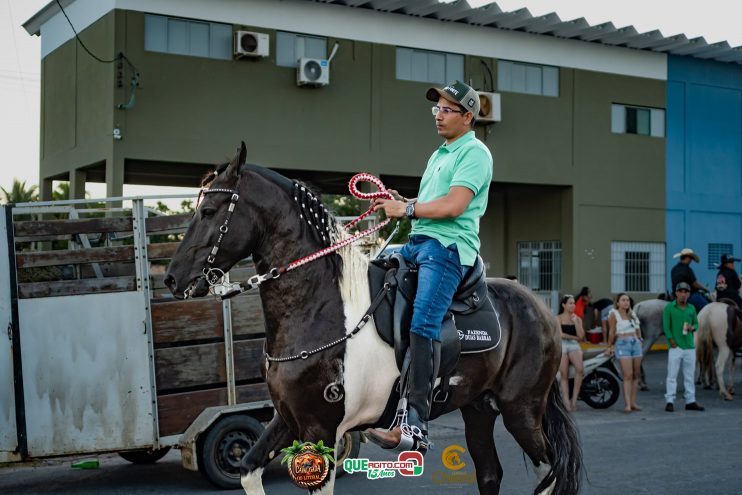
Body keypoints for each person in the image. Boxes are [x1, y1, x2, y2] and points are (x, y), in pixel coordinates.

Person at [366, 80, 493, 452]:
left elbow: (453, 207)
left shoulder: (475, 153)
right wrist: (405, 200)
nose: (438, 115)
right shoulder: (439, 153)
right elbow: (432, 202)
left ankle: (414, 426)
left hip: (449, 249)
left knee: (423, 321)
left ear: (468, 116)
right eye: (436, 108)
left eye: (447, 109)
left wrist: (405, 209)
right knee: (370, 275)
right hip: (419, 243)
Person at [662, 282, 704, 412]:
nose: (683, 294)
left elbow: (696, 324)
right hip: (676, 346)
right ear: (676, 293)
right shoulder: (669, 307)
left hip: (689, 346)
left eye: (686, 292)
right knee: (672, 375)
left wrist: (693, 327)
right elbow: (666, 326)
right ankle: (670, 401)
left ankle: (690, 401)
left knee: (689, 375)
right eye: (681, 291)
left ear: (689, 294)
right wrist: (670, 339)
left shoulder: (691, 308)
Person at [607, 294, 643, 413]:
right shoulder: (614, 314)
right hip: (623, 343)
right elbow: (612, 331)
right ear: (617, 303)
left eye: (627, 300)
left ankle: (633, 403)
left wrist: (639, 339)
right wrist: (610, 346)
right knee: (628, 375)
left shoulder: (632, 314)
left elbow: (638, 330)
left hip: (635, 344)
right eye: (623, 300)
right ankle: (627, 404)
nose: (626, 302)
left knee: (636, 374)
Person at [556, 295, 585, 412]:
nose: (573, 305)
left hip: (573, 345)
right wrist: (575, 337)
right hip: (562, 344)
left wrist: (576, 323)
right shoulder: (557, 318)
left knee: (580, 369)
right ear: (563, 305)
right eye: (570, 303)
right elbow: (560, 335)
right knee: (564, 374)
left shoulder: (577, 319)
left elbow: (581, 337)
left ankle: (574, 400)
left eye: (574, 303)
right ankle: (566, 402)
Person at [670, 247, 709, 312]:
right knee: (707, 308)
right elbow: (695, 284)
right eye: (691, 258)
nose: (691, 261)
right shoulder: (687, 269)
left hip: (676, 295)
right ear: (688, 258)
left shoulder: (674, 269)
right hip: (688, 295)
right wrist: (704, 288)